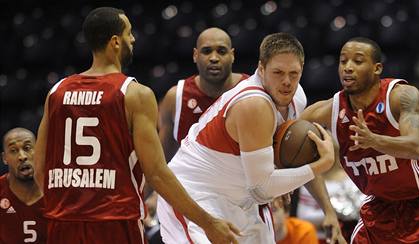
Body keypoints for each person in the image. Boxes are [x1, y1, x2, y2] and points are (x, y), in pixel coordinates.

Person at [33, 7, 239, 244]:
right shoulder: (134, 94)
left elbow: (40, 170)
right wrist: (208, 222)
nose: (132, 39)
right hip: (115, 223)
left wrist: (68, 208)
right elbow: (157, 174)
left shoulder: (57, 92)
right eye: (129, 33)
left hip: (62, 224)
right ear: (115, 42)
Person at [157, 33, 345, 244]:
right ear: (261, 69)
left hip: (243, 200)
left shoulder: (296, 97)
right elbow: (262, 189)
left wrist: (328, 210)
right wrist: (323, 164)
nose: (287, 81)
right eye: (278, 72)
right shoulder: (254, 104)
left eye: (294, 73)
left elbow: (295, 163)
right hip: (196, 196)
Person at [300, 37, 419, 243]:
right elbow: (293, 149)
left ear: (377, 68)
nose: (348, 67)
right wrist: (328, 211)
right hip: (378, 208)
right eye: (343, 61)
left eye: (358, 61)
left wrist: (374, 140)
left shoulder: (401, 96)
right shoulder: (327, 111)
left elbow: (416, 147)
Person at [159, 27, 249, 162]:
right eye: (207, 51)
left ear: (232, 55)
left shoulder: (250, 91)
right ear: (195, 55)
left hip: (242, 180)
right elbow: (161, 163)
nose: (214, 58)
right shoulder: (175, 97)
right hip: (191, 181)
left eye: (221, 51)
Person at [1, 128, 47, 243]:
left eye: (27, 148)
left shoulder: (57, 191)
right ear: (4, 158)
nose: (22, 156)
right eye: (13, 150)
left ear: (39, 151)